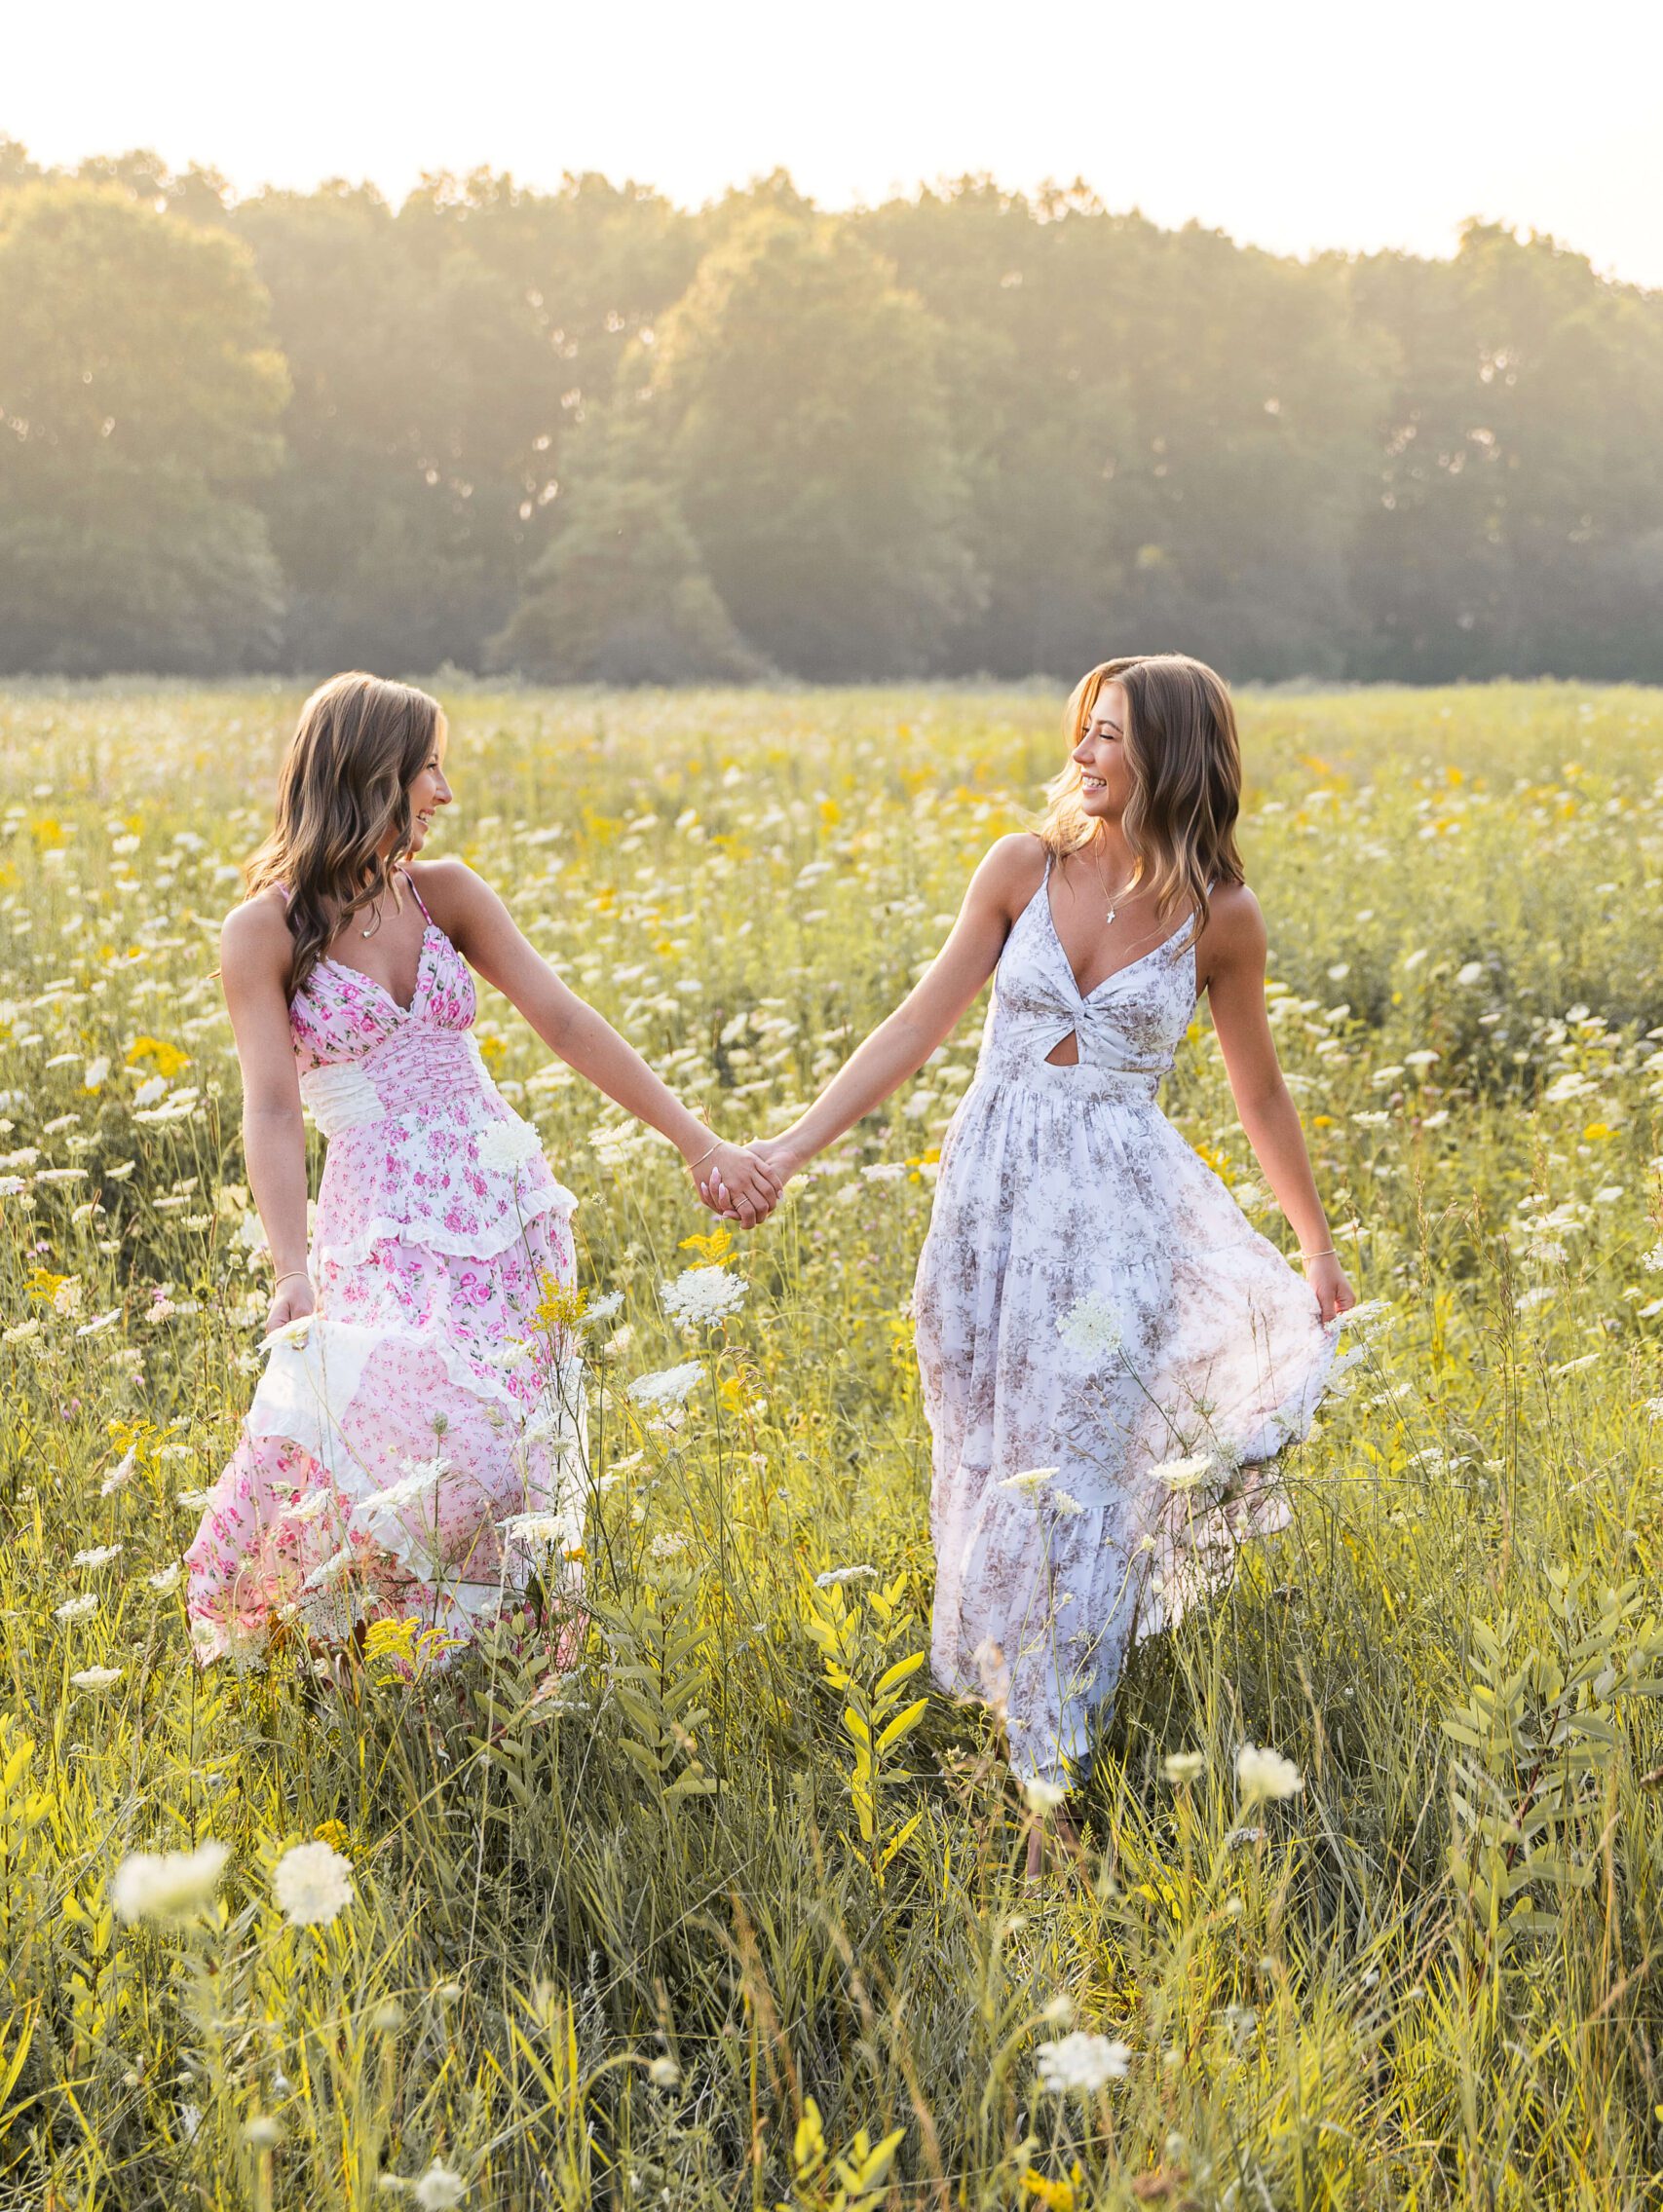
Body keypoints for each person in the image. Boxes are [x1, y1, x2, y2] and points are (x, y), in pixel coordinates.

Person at [709, 654, 1353, 1840]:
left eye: (1112, 736)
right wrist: (788, 1147)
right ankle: (1018, 1709)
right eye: (1085, 731)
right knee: (989, 1443)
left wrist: (1316, 1246)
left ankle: (1048, 1778)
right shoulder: (1024, 865)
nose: (1086, 754)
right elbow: (919, 1022)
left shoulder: (1222, 918)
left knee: (1074, 1466)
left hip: (1116, 1227)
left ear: (1172, 754)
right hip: (988, 1213)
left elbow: (1259, 1093)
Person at [187, 671, 776, 1665]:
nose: (443, 795)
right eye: (428, 770)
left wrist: (698, 1140)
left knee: (516, 1451)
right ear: (372, 773)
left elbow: (565, 1020)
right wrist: (290, 1271)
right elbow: (274, 1107)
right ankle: (355, 1656)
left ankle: (491, 1673)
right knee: (414, 1445)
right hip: (379, 1221)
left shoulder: (445, 895)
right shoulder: (264, 932)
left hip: (507, 1209)